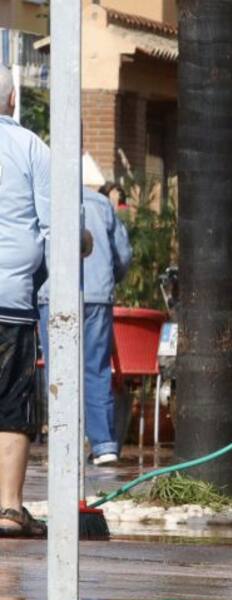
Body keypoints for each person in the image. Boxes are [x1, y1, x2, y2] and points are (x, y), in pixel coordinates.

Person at [37, 167, 131, 468]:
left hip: (54, 294)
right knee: (96, 369)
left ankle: (64, 442)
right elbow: (123, 255)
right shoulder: (101, 204)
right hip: (96, 296)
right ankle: (104, 445)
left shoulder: (45, 200)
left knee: (59, 371)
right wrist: (109, 280)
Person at [0, 66, 49, 537]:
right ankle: (9, 508)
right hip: (11, 298)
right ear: (12, 98)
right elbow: (55, 226)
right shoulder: (31, 147)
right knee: (12, 400)